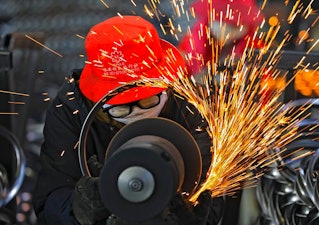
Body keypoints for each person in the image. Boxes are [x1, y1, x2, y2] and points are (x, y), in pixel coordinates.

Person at [33, 15, 224, 225]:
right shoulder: (71, 110)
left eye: (148, 100)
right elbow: (50, 203)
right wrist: (78, 208)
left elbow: (214, 198)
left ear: (165, 87)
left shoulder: (190, 106)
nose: (137, 113)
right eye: (122, 107)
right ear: (99, 101)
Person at [177, 0, 266, 79]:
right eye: (221, 21)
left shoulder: (256, 48)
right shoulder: (191, 43)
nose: (226, 27)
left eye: (234, 25)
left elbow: (267, 82)